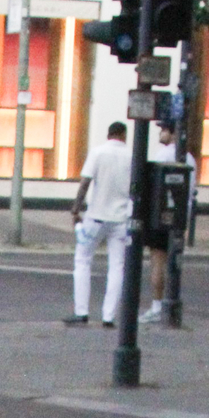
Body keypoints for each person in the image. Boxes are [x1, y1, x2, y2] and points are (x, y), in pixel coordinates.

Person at [67, 120, 133, 328]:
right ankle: (108, 316)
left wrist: (76, 209)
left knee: (83, 260)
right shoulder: (131, 156)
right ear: (123, 135)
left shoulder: (97, 152)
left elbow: (85, 183)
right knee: (117, 266)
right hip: (121, 219)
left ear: (109, 134)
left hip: (96, 216)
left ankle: (82, 311)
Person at [142, 121, 195, 325]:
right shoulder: (188, 157)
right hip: (180, 215)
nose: (160, 133)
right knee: (171, 259)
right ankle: (169, 302)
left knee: (157, 261)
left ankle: (157, 305)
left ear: (173, 133)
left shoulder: (163, 155)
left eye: (163, 130)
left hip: (160, 212)